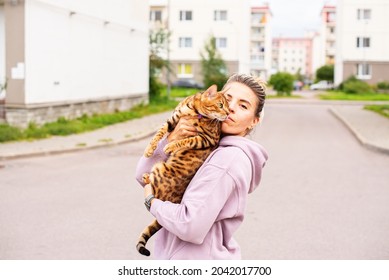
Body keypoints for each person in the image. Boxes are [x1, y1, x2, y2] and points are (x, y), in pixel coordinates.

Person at [135, 73, 268, 259]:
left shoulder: (227, 160)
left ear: (255, 120)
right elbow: (144, 175)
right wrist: (171, 139)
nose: (230, 108)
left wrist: (152, 202)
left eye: (243, 105)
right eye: (228, 99)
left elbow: (189, 226)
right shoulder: (208, 145)